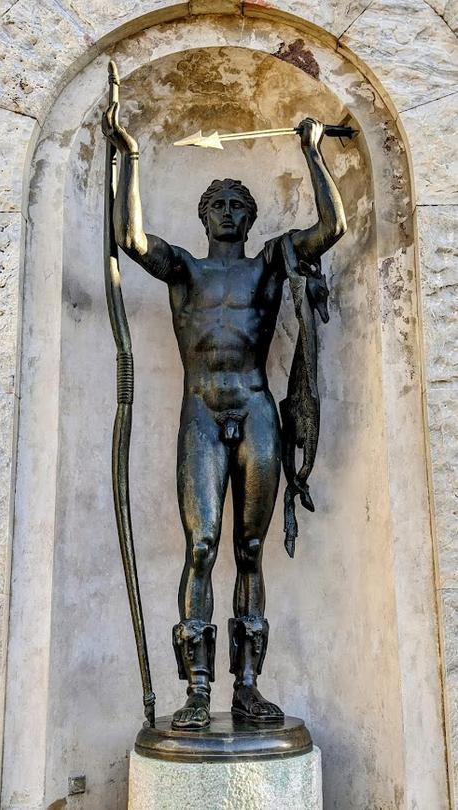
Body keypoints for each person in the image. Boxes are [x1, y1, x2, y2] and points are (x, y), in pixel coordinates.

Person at [102, 103, 346, 730]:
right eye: (220, 204)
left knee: (251, 546)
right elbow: (130, 240)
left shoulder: (270, 262)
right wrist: (130, 154)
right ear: (204, 215)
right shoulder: (184, 268)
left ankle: (247, 686)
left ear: (251, 216)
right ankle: (197, 689)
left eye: (240, 204)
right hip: (203, 414)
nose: (231, 212)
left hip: (257, 409)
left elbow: (332, 227)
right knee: (202, 544)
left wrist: (313, 153)